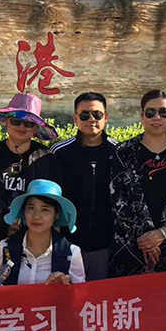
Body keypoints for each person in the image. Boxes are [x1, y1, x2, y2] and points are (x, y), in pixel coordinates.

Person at [0, 92, 63, 283]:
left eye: (28, 123)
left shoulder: (46, 158)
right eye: (16, 121)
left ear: (35, 128)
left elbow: (57, 202)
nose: (22, 127)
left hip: (34, 240)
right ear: (6, 122)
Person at [109, 89, 166, 276]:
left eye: (163, 112)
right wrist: (146, 239)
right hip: (131, 243)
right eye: (150, 113)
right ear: (142, 115)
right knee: (130, 293)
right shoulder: (124, 151)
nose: (157, 117)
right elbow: (117, 198)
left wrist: (162, 233)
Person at [51, 92, 117, 281]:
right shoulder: (59, 152)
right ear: (75, 118)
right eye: (84, 115)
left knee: (101, 295)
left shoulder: (119, 151)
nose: (91, 120)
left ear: (106, 117)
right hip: (67, 243)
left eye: (97, 114)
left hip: (106, 244)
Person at [0, 179, 85, 286]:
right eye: (31, 208)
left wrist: (65, 287)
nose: (36, 216)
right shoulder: (5, 247)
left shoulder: (71, 253)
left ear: (56, 214)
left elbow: (81, 294)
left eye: (45, 209)